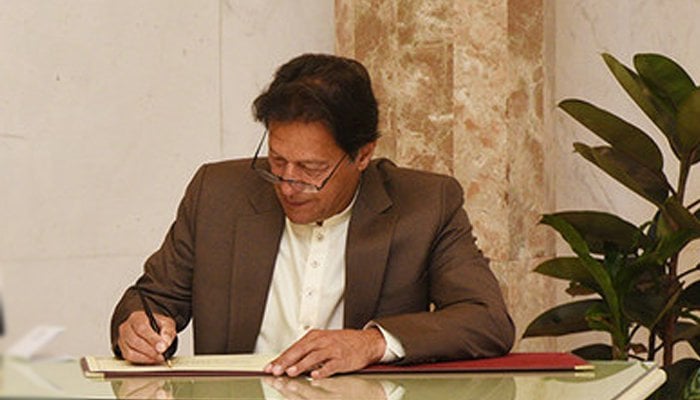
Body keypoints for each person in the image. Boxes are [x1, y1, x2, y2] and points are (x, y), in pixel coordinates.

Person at [111, 53, 514, 379]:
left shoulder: (425, 204)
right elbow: (149, 299)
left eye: (311, 170)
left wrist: (371, 343)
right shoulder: (218, 192)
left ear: (363, 155)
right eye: (277, 160)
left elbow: (486, 319)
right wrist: (139, 328)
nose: (287, 184)